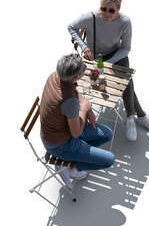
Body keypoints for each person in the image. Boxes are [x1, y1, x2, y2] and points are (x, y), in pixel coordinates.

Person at [68, 0, 149, 141]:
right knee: (110, 84)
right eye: (103, 9)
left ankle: (130, 118)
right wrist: (84, 46)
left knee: (126, 80)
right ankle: (142, 115)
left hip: (116, 56)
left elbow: (126, 48)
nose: (106, 13)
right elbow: (71, 27)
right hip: (96, 58)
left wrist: (109, 63)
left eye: (111, 10)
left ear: (118, 10)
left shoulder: (125, 22)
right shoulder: (91, 17)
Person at [40, 54, 115, 189]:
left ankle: (76, 155)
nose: (86, 68)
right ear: (76, 77)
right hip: (60, 145)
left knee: (107, 134)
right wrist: (85, 108)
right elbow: (76, 133)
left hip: (59, 131)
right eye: (83, 68)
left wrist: (87, 107)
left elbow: (73, 89)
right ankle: (69, 165)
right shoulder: (69, 102)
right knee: (109, 160)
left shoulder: (56, 75)